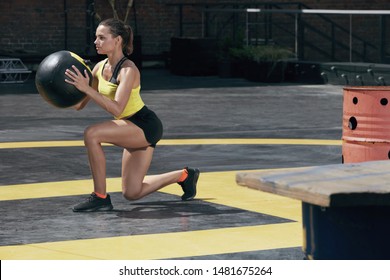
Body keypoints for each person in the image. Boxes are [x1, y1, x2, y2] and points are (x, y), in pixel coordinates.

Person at [64, 18, 200, 212]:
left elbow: (118, 109)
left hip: (144, 125)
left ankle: (100, 197)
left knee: (92, 134)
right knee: (132, 192)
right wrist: (67, 88)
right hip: (128, 126)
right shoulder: (98, 68)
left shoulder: (129, 70)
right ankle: (184, 175)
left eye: (102, 38)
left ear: (118, 40)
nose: (96, 42)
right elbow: (79, 106)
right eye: (96, 37)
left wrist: (88, 89)